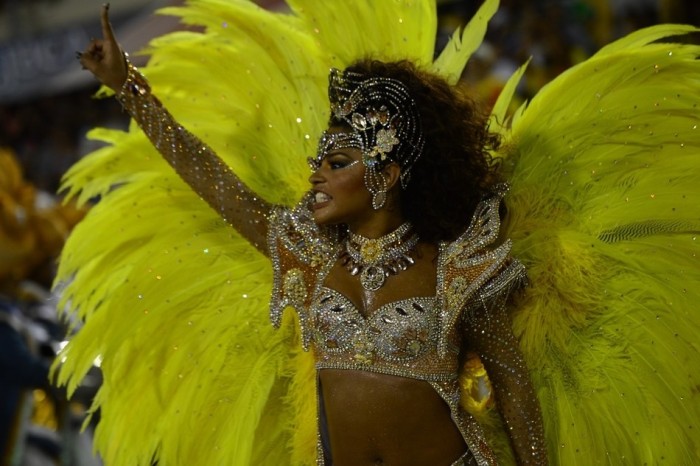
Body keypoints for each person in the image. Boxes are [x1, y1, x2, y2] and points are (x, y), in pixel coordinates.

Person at [58, 1, 700, 465]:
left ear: (388, 175)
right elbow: (214, 181)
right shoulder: (305, 252)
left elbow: (513, 388)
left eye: (336, 163)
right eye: (320, 159)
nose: (315, 174)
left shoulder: (457, 264)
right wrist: (131, 90)